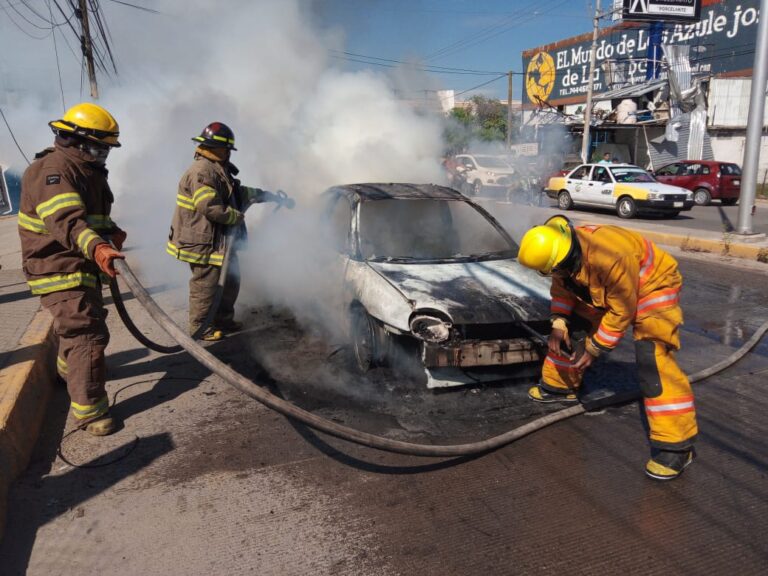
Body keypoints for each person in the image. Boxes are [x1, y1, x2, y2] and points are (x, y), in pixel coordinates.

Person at [517, 216, 697, 481]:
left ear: (565, 256)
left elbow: (621, 310)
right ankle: (560, 386)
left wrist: (594, 349)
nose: (553, 275)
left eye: (553, 270)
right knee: (572, 326)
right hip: (612, 289)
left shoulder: (611, 255)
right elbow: (564, 290)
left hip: (651, 287)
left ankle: (677, 446)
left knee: (652, 359)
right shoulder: (565, 254)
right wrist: (559, 321)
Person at [18, 102, 126, 436]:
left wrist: (110, 233)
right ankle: (91, 411)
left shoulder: (84, 169)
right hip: (57, 267)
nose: (103, 155)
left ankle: (67, 374)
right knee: (87, 335)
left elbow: (91, 217)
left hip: (76, 264)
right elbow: (66, 220)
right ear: (77, 140)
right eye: (99, 147)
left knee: (86, 330)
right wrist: (97, 246)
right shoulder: (54, 170)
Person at [167, 122, 293, 341]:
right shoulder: (202, 171)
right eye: (226, 149)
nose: (228, 154)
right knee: (205, 286)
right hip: (202, 243)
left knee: (230, 282)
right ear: (216, 147)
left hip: (220, 242)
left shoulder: (217, 168)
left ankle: (223, 320)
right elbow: (209, 206)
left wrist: (268, 196)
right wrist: (236, 216)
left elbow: (239, 192)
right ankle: (200, 328)